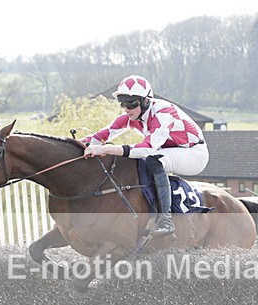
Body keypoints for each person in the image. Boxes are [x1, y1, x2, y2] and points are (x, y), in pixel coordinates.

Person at [82, 75, 209, 237]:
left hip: (194, 154)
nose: (126, 109)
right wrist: (79, 145)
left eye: (131, 103)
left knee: (153, 160)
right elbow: (102, 135)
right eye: (123, 103)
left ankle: (165, 220)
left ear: (146, 101)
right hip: (172, 150)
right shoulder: (133, 116)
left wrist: (105, 149)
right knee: (140, 162)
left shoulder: (164, 113)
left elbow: (147, 148)